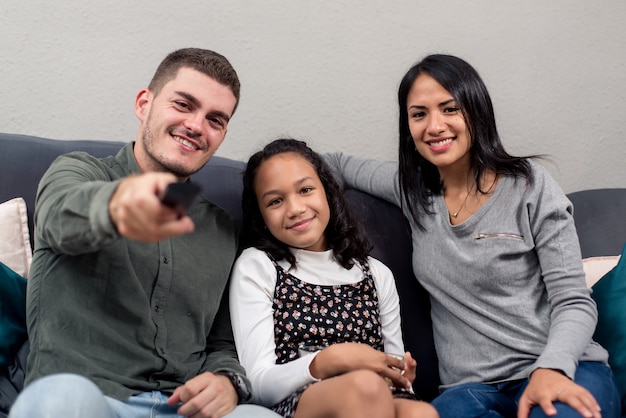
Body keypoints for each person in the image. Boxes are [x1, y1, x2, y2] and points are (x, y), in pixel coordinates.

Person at [325, 54, 621, 418]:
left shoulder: (529, 185)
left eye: (449, 109)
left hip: (561, 367)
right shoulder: (411, 191)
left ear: (476, 111)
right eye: (419, 114)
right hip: (470, 390)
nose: (434, 126)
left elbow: (574, 301)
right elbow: (333, 164)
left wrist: (551, 369)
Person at [9, 48, 280, 418]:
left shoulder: (221, 229)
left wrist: (227, 379)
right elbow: (59, 218)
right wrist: (121, 204)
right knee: (57, 403)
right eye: (183, 104)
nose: (197, 126)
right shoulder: (79, 173)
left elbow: (223, 340)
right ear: (144, 103)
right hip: (88, 396)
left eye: (215, 119)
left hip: (182, 407)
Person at [229, 138, 439, 418]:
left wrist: (401, 376)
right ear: (261, 215)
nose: (295, 208)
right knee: (365, 387)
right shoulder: (258, 266)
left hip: (378, 394)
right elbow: (257, 382)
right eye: (276, 201)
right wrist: (325, 361)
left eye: (305, 190)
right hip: (299, 400)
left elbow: (395, 367)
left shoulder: (375, 274)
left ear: (327, 191)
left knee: (421, 413)